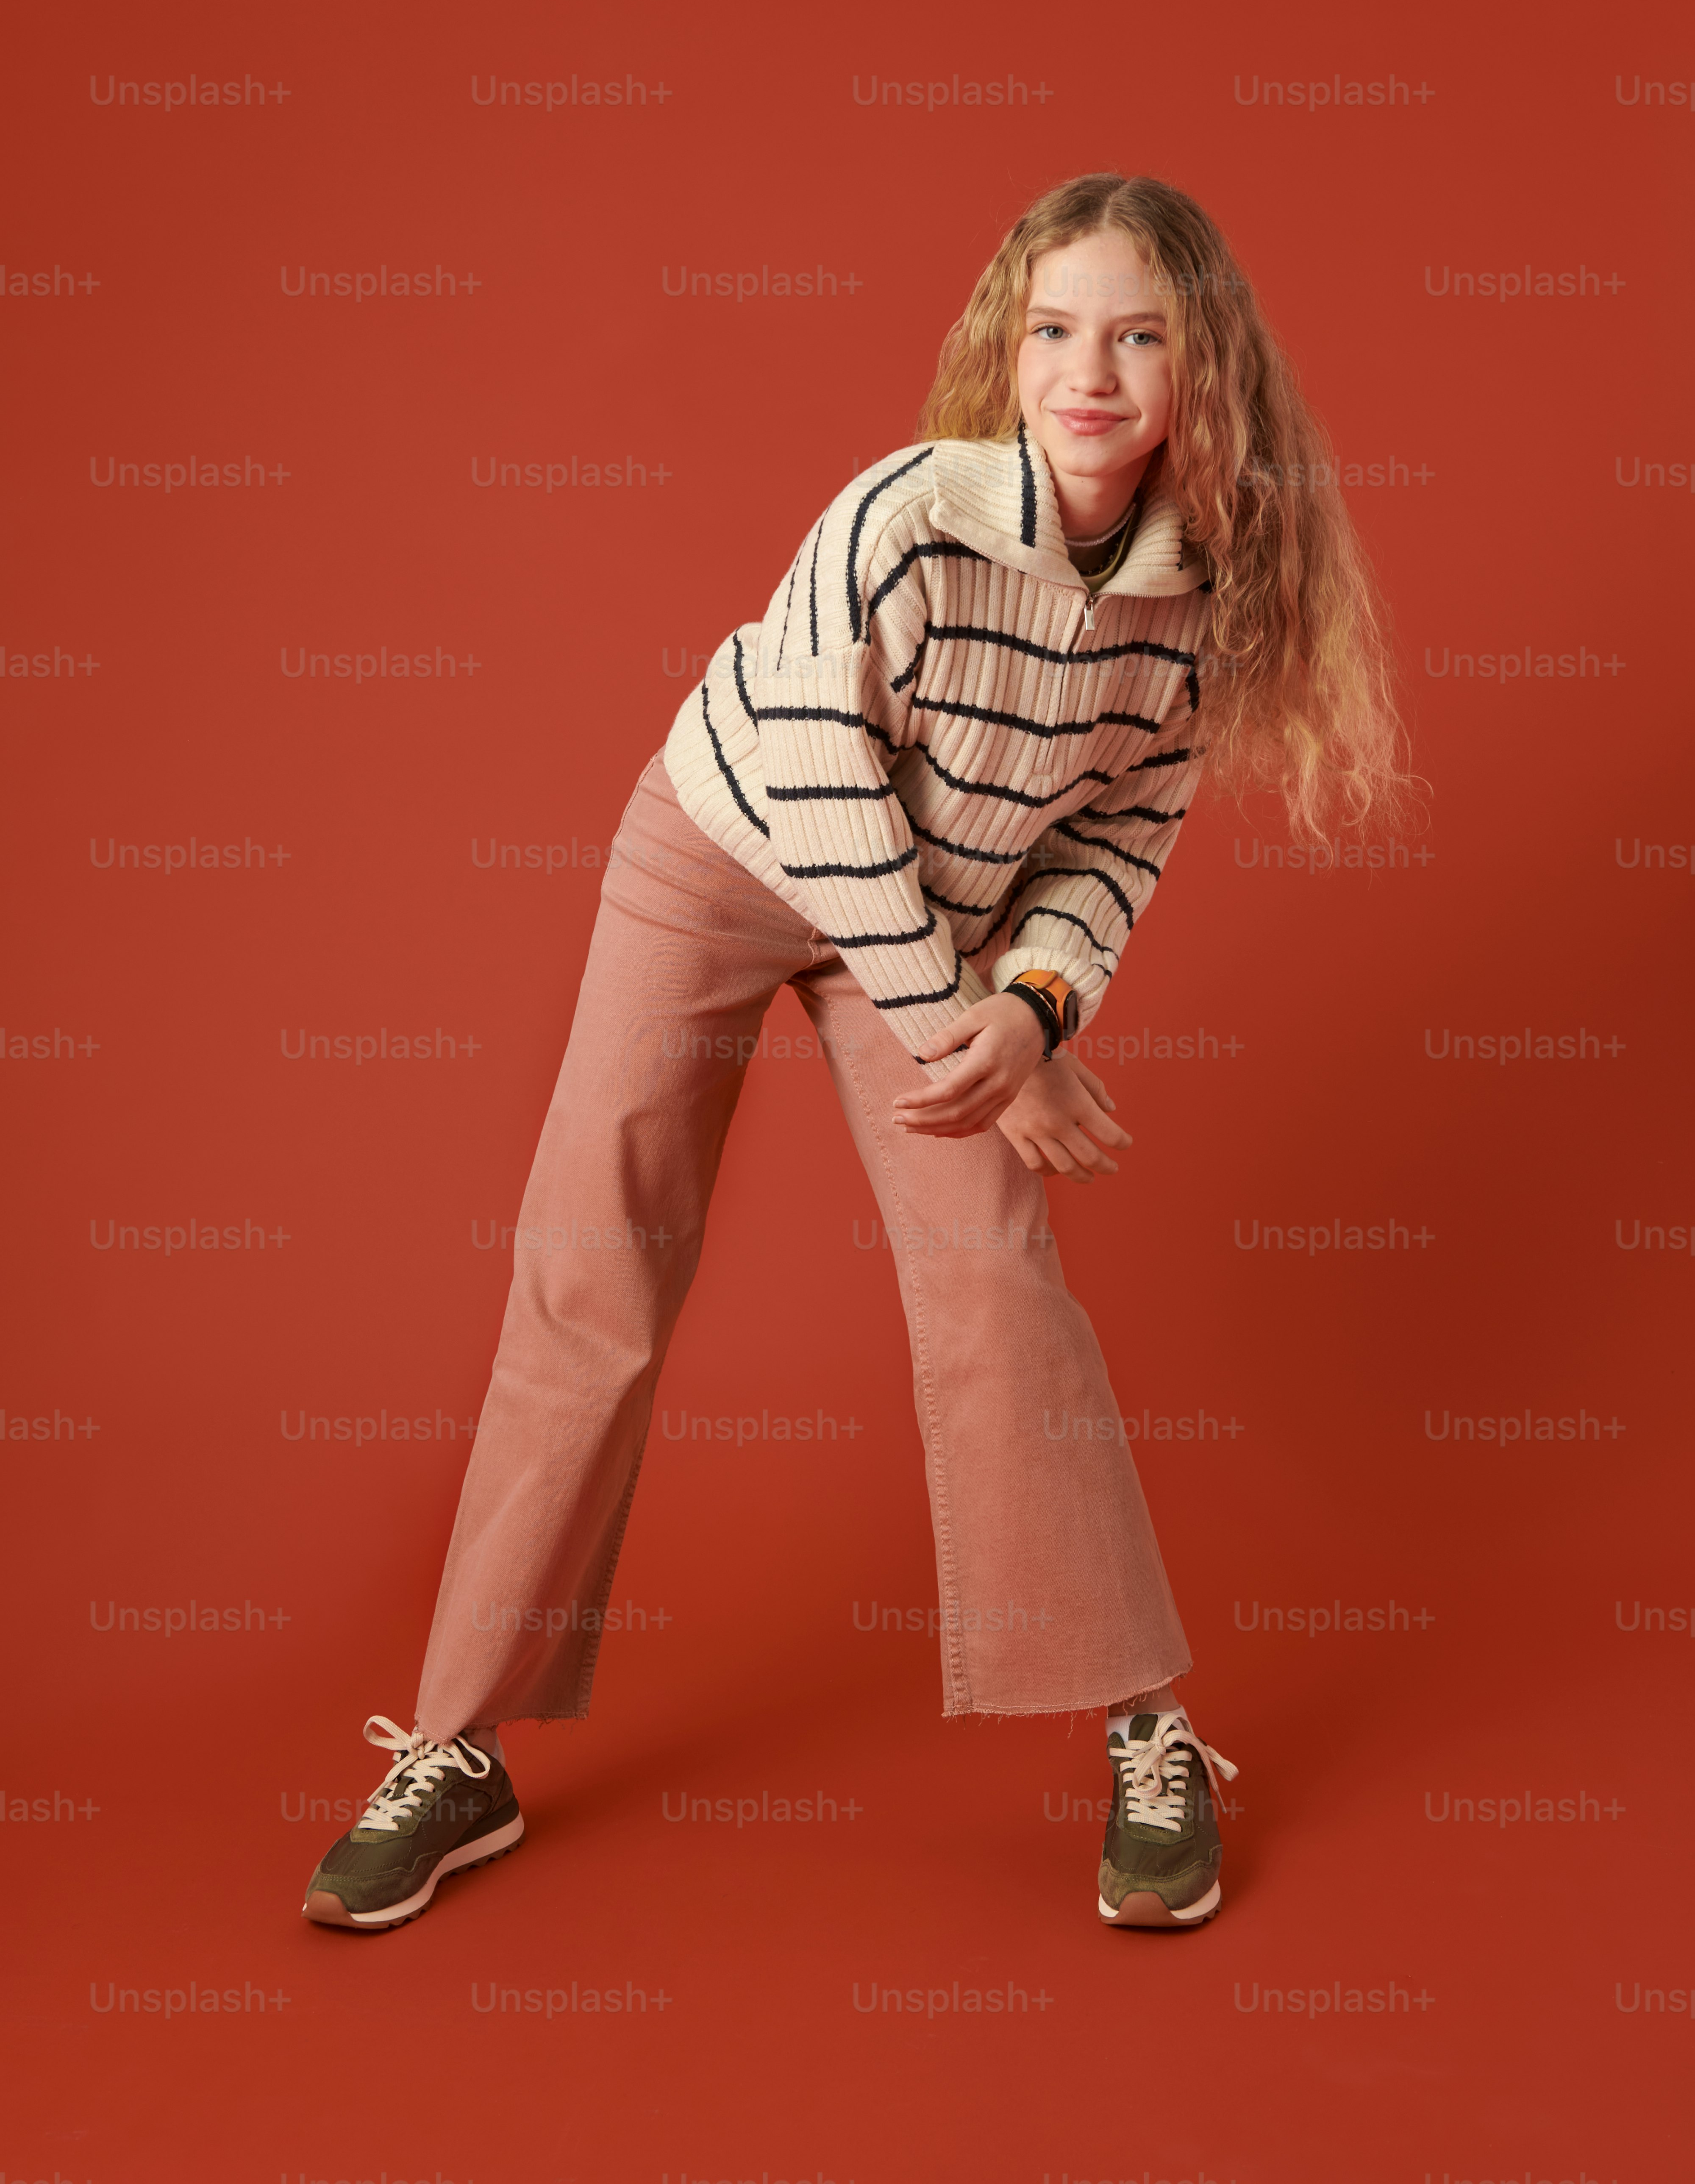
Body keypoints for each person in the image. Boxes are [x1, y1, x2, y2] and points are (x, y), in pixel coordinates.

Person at [300, 170, 1409, 1934]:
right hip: (725, 856)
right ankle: (457, 1744)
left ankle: (1148, 1734)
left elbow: (1115, 840)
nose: (1091, 373)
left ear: (1209, 372)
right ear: (1008, 347)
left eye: (1139, 336)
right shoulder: (904, 517)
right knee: (592, 1276)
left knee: (994, 1277)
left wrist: (1034, 1009)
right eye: (1054, 331)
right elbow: (822, 797)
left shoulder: (1200, 598)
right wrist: (974, 1033)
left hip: (946, 933)